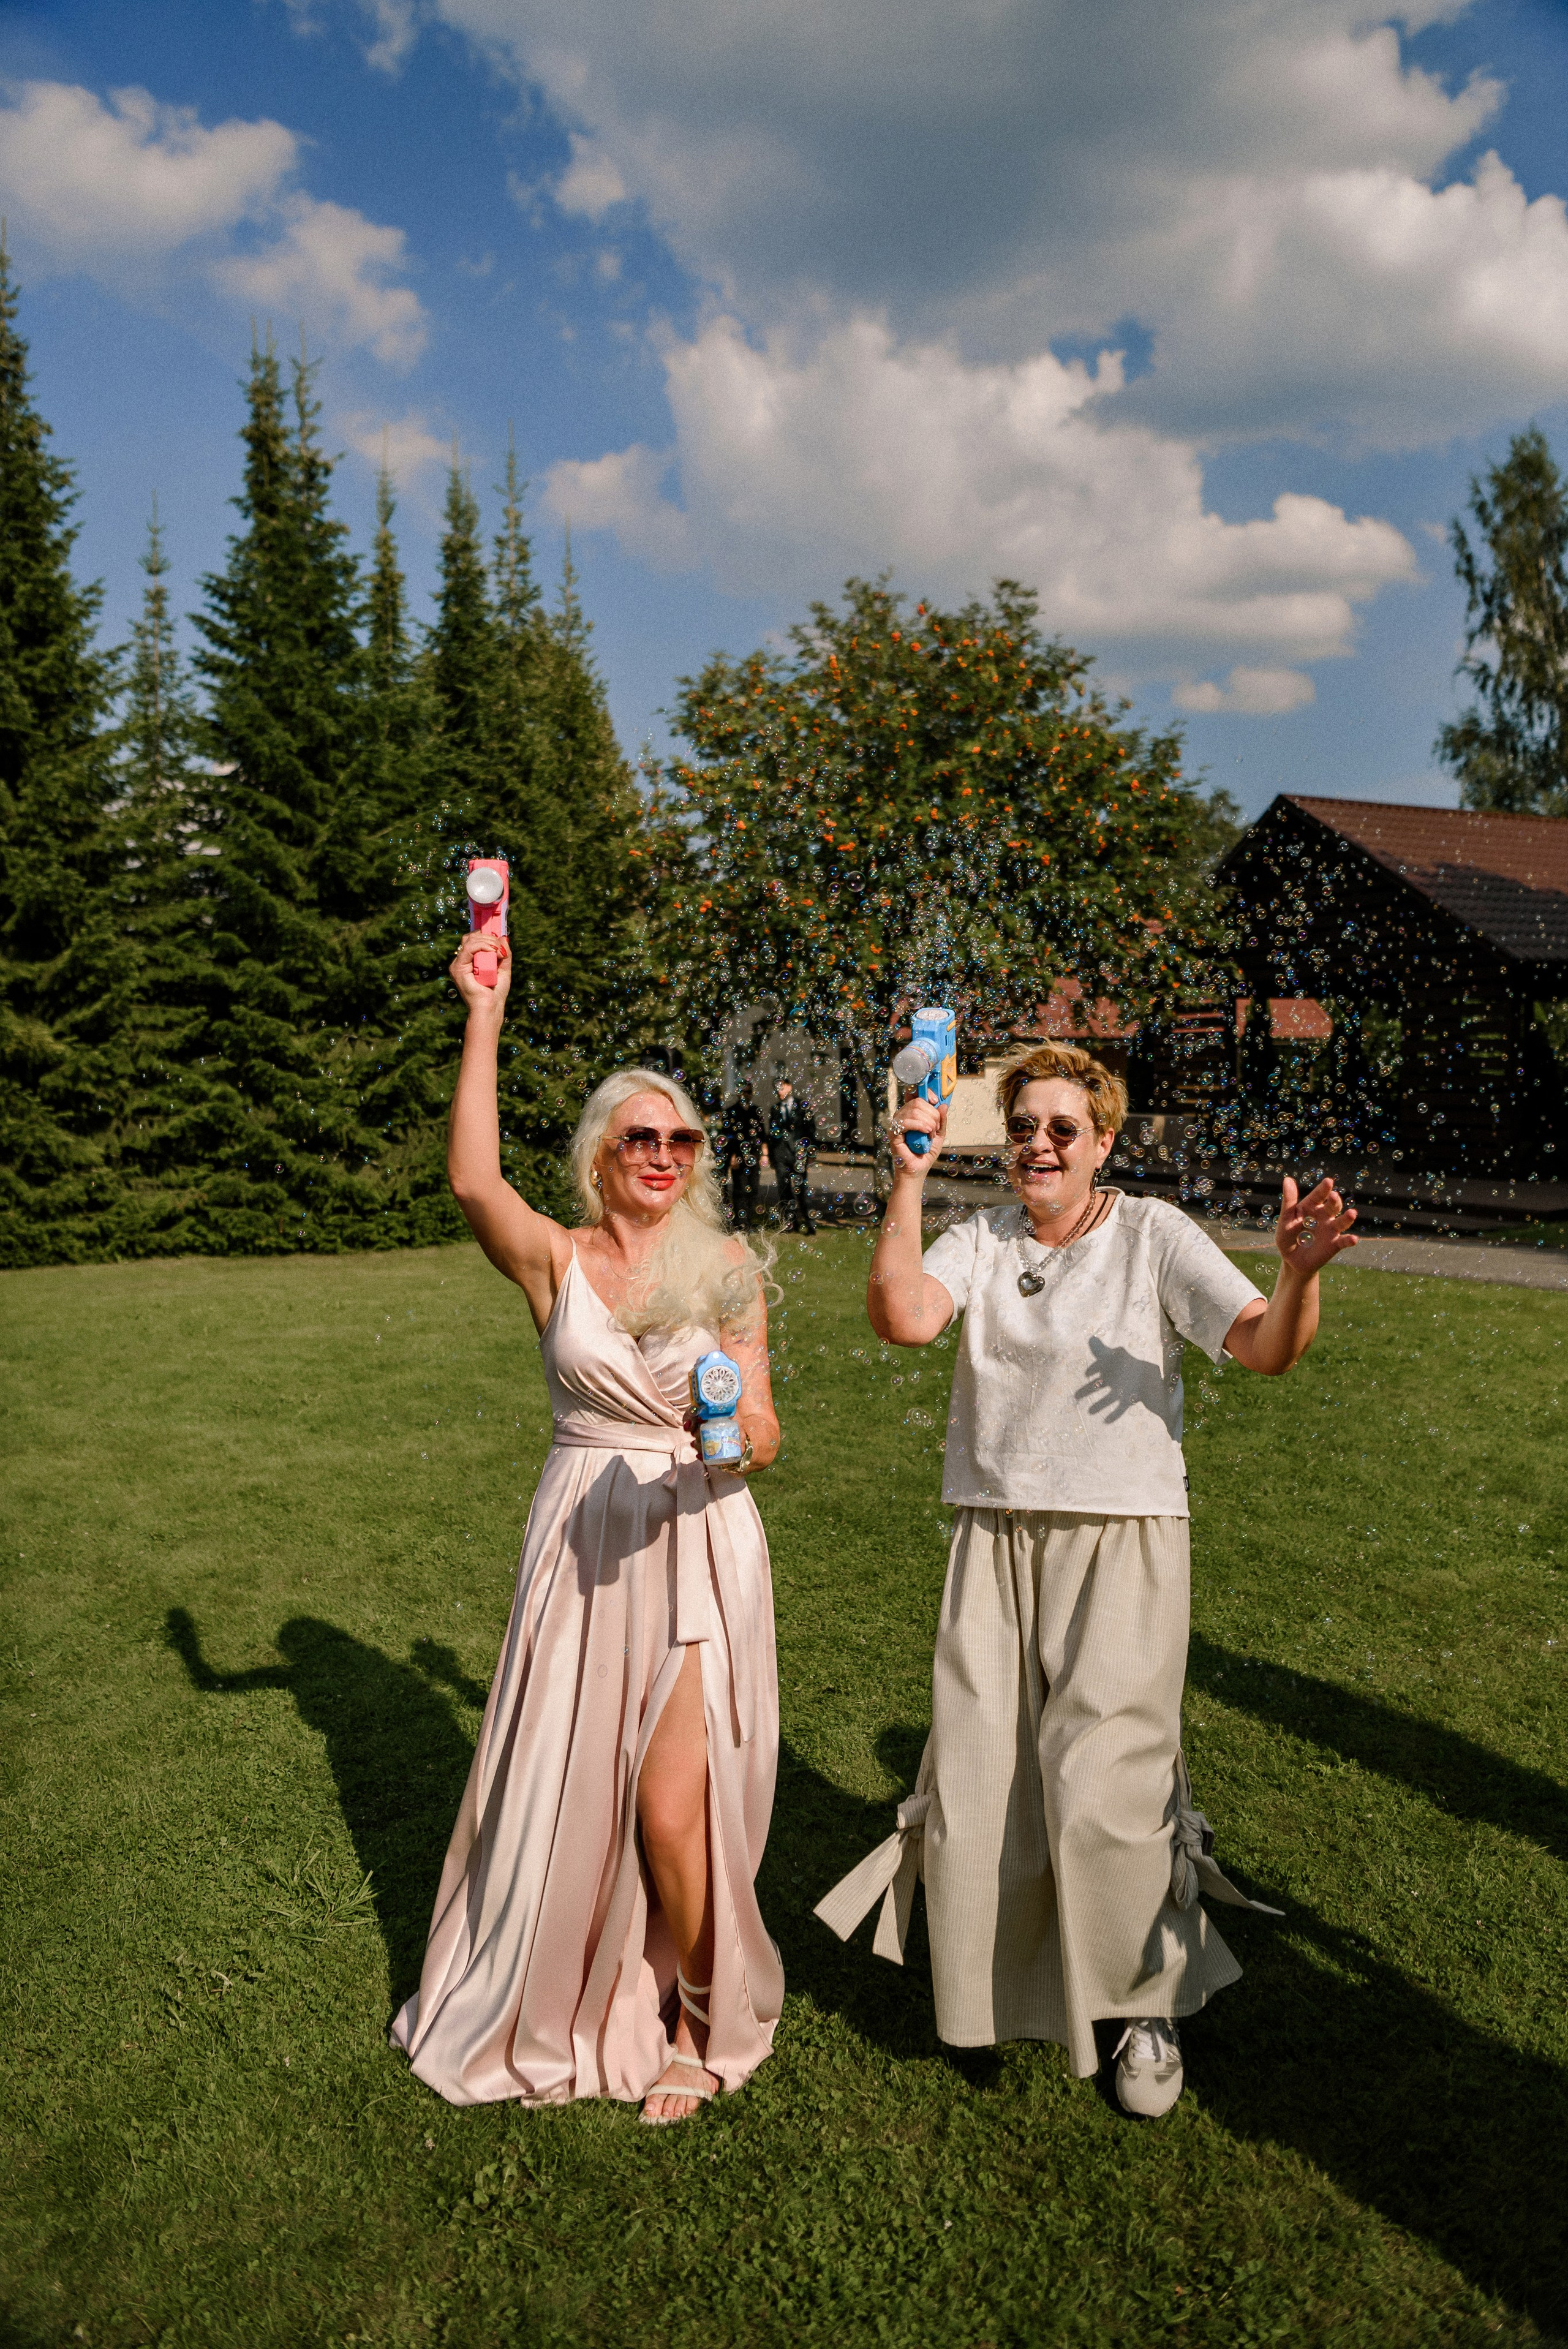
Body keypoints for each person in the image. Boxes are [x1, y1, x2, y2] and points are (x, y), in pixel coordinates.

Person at [816, 1039, 1355, 2119]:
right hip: (994, 1533)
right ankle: (998, 1989)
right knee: (983, 1781)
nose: (1040, 1144)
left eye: (1064, 1128)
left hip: (1125, 1532)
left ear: (1104, 1141)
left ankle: (1144, 2005)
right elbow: (905, 1316)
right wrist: (909, 1178)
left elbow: (1264, 1347)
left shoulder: (1154, 1234)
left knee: (1107, 1785)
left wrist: (1297, 1277)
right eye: (1023, 1127)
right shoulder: (981, 1238)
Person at [391, 927, 783, 2125]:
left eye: (681, 1140)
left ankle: (701, 2024)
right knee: (569, 1792)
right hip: (578, 1542)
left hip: (697, 1538)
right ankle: (572, 1986)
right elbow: (472, 1182)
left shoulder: (726, 1267)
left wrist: (731, 1444)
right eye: (639, 1139)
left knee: (670, 1808)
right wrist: (483, 1014)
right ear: (600, 1158)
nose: (662, 1156)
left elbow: (765, 1424)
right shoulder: (553, 1262)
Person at [767, 1076, 818, 1234]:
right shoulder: (775, 1109)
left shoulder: (802, 1106)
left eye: (782, 1088)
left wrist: (811, 1154)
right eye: (777, 1089)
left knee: (802, 1190)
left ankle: (810, 1225)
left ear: (789, 1087)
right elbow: (772, 1135)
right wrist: (771, 1156)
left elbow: (811, 1131)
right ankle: (790, 1224)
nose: (779, 1092)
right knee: (784, 1191)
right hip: (780, 1155)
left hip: (799, 1155)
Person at [722, 1081, 766, 1230]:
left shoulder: (756, 1111)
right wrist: (733, 1156)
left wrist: (764, 1154)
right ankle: (740, 1222)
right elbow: (728, 1137)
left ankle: (748, 1219)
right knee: (740, 1189)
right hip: (738, 1155)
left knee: (753, 1188)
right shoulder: (731, 1112)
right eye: (743, 1092)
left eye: (748, 1092)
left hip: (754, 1154)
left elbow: (761, 1134)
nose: (746, 1095)